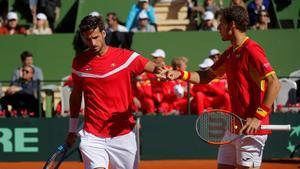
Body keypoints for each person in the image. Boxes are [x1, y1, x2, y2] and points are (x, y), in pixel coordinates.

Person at [166, 6, 281, 169]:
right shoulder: (230, 53)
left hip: (251, 129)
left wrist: (258, 117)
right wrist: (181, 74)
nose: (218, 27)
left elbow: (275, 83)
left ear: (232, 25)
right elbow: (206, 76)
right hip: (234, 127)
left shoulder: (252, 50)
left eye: (221, 24)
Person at [65, 15, 163, 169]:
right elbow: (76, 96)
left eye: (96, 37)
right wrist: (72, 129)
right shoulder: (79, 62)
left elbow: (154, 67)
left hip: (123, 133)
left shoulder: (126, 57)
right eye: (87, 39)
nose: (92, 43)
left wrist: (162, 71)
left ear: (104, 33)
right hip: (92, 135)